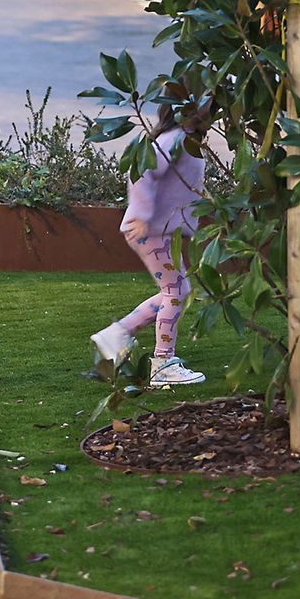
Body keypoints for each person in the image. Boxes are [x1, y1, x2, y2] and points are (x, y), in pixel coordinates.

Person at [89, 105, 208, 387]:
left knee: (175, 291)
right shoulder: (175, 139)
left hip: (160, 231)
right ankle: (162, 362)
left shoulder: (184, 138)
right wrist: (141, 214)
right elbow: (142, 170)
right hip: (152, 231)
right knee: (176, 291)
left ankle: (117, 334)